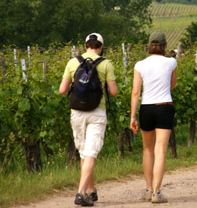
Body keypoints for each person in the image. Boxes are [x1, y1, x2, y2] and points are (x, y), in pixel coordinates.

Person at [59, 33, 118, 206]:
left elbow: (62, 90)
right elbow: (113, 92)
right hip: (97, 112)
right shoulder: (106, 64)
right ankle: (80, 193)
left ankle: (91, 191)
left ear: (85, 46)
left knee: (84, 153)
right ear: (101, 47)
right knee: (91, 153)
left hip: (77, 112)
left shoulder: (72, 62)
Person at [130, 32, 177, 203]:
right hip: (164, 106)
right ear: (164, 46)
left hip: (146, 108)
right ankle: (157, 193)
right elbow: (172, 85)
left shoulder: (140, 65)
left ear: (149, 45)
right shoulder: (171, 62)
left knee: (147, 149)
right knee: (160, 150)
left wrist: (133, 117)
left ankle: (148, 189)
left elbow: (136, 92)